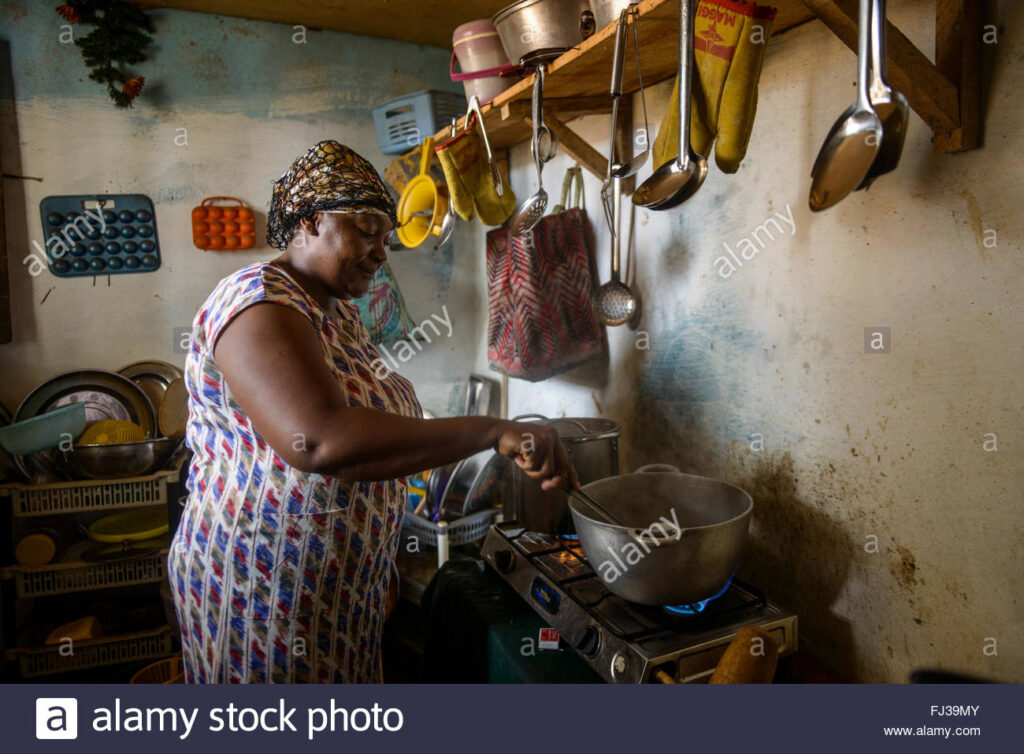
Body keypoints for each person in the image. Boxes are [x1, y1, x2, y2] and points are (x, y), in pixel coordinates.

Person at [168, 140, 577, 683]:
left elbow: (370, 430)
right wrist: (493, 431)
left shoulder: (338, 315)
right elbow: (317, 442)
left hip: (333, 587)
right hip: (262, 588)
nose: (382, 252)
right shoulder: (256, 300)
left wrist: (376, 561)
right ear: (310, 220)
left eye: (387, 239)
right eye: (366, 230)